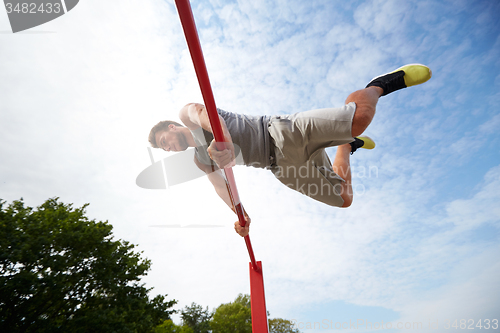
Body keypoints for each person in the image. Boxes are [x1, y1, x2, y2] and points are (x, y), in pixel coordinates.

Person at [148, 64, 432, 237]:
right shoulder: (201, 160)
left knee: (359, 119)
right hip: (282, 168)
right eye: (165, 150)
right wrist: (241, 215)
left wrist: (221, 141)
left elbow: (206, 115)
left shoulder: (186, 115)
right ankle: (345, 146)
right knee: (344, 198)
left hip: (280, 133)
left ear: (171, 128)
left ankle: (378, 85)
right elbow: (222, 188)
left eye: (165, 142)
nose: (169, 148)